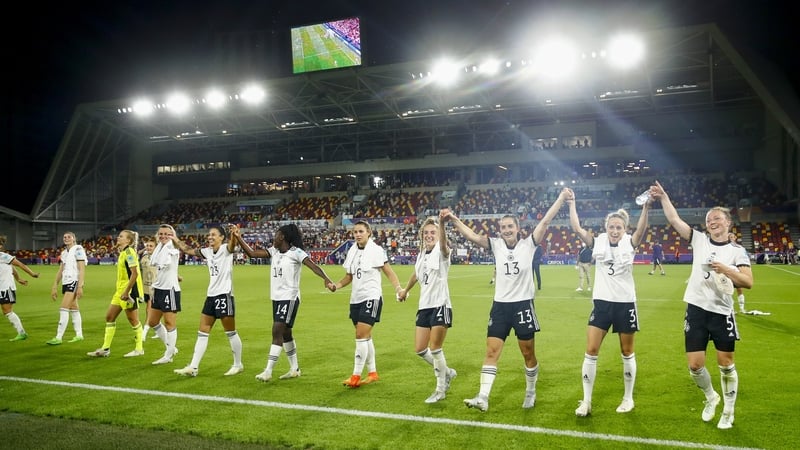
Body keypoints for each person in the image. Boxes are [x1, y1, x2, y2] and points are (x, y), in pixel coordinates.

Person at [441, 188, 569, 412]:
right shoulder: (495, 245)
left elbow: (546, 221)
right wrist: (453, 219)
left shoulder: (529, 244)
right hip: (500, 307)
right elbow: (472, 236)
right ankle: (483, 397)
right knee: (491, 352)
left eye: (510, 226)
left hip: (523, 306)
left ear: (518, 228)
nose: (507, 230)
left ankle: (530, 391)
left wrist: (560, 198)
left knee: (528, 353)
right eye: (503, 227)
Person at [650, 181, 753, 430]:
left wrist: (726, 269)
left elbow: (748, 282)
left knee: (726, 364)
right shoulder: (699, 240)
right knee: (695, 366)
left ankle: (728, 411)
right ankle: (711, 397)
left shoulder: (737, 251)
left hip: (721, 313)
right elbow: (674, 220)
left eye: (717, 218)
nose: (712, 221)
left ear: (728, 222)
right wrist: (664, 197)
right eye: (709, 219)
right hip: (696, 309)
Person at [567, 188, 651, 416]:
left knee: (627, 351)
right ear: (606, 228)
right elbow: (577, 228)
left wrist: (646, 207)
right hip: (602, 304)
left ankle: (628, 398)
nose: (614, 231)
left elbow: (642, 229)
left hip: (625, 303)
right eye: (611, 227)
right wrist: (572, 204)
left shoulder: (630, 243)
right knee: (591, 350)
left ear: (625, 229)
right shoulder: (598, 242)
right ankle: (586, 401)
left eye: (619, 228)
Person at [233, 224, 334, 382]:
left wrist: (327, 279)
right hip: (276, 297)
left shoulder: (296, 253)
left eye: (276, 235)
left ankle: (268, 371)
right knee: (286, 333)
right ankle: (294, 369)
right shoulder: (274, 251)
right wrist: (238, 237)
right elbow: (252, 254)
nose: (273, 238)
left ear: (282, 237)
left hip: (289, 297)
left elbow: (314, 267)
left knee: (277, 331)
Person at [331, 220, 403, 388]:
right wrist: (336, 286)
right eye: (355, 232)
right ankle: (372, 373)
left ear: (369, 232)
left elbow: (389, 272)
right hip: (356, 299)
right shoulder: (352, 251)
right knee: (366, 336)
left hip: (371, 297)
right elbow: (349, 276)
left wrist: (398, 288)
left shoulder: (376, 250)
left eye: (361, 231)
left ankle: (355, 376)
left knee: (360, 335)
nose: (357, 234)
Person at [397, 217, 457, 403]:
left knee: (435, 348)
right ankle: (447, 372)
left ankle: (440, 389)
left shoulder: (442, 251)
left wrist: (442, 225)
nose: (429, 235)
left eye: (433, 232)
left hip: (440, 305)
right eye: (426, 232)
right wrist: (405, 290)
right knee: (420, 349)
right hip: (424, 306)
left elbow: (444, 246)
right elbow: (416, 274)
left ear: (439, 235)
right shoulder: (422, 254)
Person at [172, 225, 244, 377]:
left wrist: (234, 235)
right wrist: (175, 238)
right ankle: (193, 367)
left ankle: (238, 364)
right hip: (211, 296)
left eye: (213, 234)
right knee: (202, 332)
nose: (209, 237)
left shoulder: (226, 249)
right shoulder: (207, 251)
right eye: (209, 234)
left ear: (221, 237)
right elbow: (188, 250)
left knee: (231, 332)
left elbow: (232, 245)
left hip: (224, 295)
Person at [87, 230, 145, 357]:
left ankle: (139, 349)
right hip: (119, 291)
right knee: (109, 317)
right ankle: (105, 349)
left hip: (128, 292)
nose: (118, 238)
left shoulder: (129, 252)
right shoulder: (123, 252)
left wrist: (126, 292)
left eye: (121, 236)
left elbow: (134, 273)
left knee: (133, 320)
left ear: (128, 240)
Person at [147, 224, 182, 365]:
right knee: (152, 322)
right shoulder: (159, 248)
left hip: (170, 289)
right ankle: (171, 348)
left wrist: (175, 239)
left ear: (172, 235)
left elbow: (168, 260)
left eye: (167, 234)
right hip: (158, 288)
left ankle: (168, 355)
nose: (163, 236)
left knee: (169, 323)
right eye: (161, 233)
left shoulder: (172, 247)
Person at [47, 232, 87, 345]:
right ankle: (79, 335)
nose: (66, 238)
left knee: (63, 308)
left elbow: (82, 269)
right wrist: (55, 285)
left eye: (69, 237)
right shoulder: (64, 253)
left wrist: (80, 286)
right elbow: (61, 270)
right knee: (74, 308)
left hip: (74, 281)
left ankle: (58, 337)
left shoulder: (78, 249)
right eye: (64, 237)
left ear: (74, 239)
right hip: (66, 281)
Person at [1, 234, 40, 341]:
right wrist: (18, 279)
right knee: (6, 311)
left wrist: (32, 274)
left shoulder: (3, 256)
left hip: (6, 288)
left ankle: (22, 333)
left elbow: (19, 265)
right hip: (1, 288)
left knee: (7, 311)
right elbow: (12, 269)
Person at [138, 236, 158, 341]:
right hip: (145, 287)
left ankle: (143, 333)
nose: (148, 247)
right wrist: (144, 249)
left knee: (149, 309)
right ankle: (159, 331)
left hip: (155, 288)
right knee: (155, 311)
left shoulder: (159, 257)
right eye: (147, 246)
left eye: (151, 246)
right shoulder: (145, 256)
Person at [728, 233, 747, 313]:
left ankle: (742, 308)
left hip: (737, 271)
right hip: (728, 271)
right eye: (730, 237)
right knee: (728, 290)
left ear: (735, 238)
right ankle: (731, 309)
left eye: (732, 237)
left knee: (739, 289)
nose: (731, 238)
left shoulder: (740, 248)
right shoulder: (725, 247)